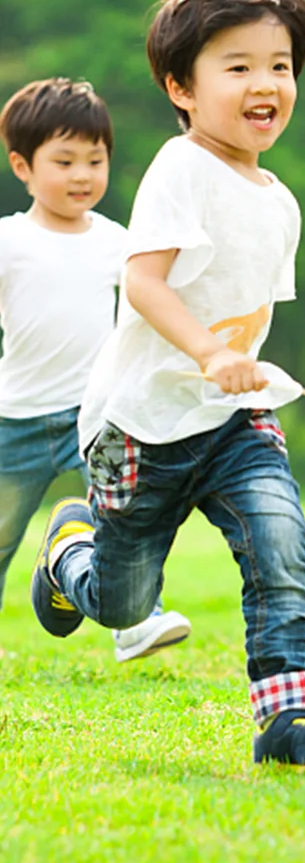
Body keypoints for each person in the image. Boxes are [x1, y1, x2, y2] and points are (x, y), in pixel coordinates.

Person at [29, 0, 305, 770]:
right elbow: (145, 284)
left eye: (281, 65)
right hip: (140, 424)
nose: (267, 84)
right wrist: (210, 351)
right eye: (239, 66)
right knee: (122, 600)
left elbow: (245, 319)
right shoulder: (183, 168)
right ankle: (70, 552)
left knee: (282, 541)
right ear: (182, 88)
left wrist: (242, 369)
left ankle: (285, 722)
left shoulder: (279, 202)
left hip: (231, 420)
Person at [0, 77, 190, 662]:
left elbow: (152, 311)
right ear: (22, 166)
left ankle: (136, 620)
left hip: (98, 415)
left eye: (95, 160)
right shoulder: (8, 241)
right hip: (16, 419)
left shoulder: (118, 244)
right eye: (64, 161)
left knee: (126, 517)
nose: (82, 175)